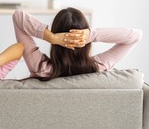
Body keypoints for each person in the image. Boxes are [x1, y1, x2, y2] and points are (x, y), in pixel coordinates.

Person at [11, 8, 142, 81]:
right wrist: (91, 35)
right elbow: (136, 36)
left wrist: (50, 37)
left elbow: (18, 16)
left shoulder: (41, 68)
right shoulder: (99, 67)